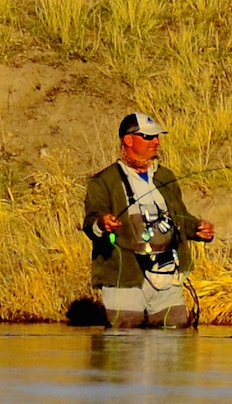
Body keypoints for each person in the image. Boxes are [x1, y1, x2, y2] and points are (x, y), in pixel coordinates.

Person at [82, 112, 216, 328]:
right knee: (126, 335)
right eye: (148, 136)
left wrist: (198, 229)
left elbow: (180, 217)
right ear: (128, 139)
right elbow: (90, 222)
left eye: (156, 137)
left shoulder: (165, 177)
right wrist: (102, 223)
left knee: (174, 329)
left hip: (167, 272)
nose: (156, 141)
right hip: (123, 275)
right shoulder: (103, 182)